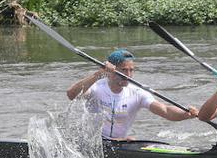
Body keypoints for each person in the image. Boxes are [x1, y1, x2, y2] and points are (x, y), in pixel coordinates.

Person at [65, 49, 199, 140]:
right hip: (93, 143)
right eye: (124, 70)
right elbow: (71, 94)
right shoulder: (96, 87)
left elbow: (165, 110)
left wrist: (185, 114)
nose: (128, 75)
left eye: (131, 70)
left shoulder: (137, 92)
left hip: (120, 143)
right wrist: (98, 73)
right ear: (112, 71)